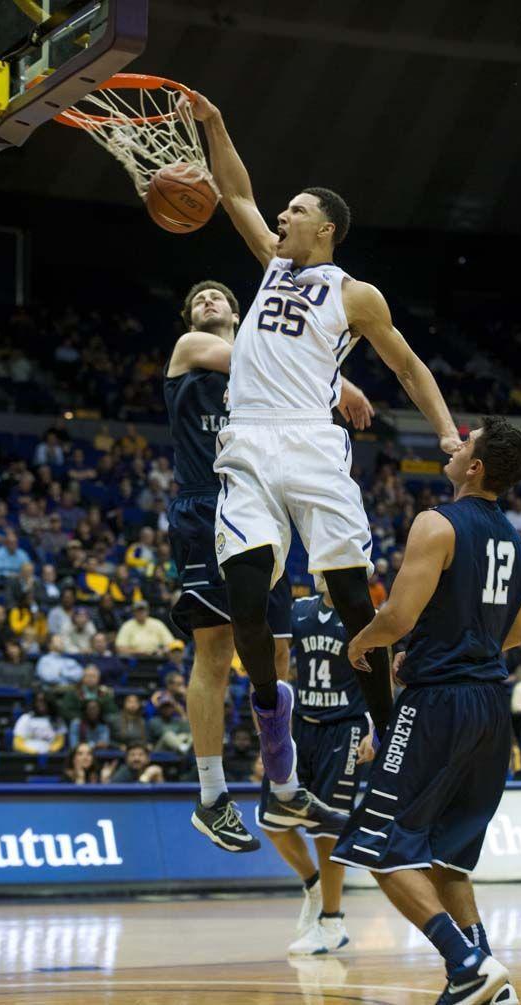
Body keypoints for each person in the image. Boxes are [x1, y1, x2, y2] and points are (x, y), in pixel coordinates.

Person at [186, 92, 461, 796]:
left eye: (297, 211)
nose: (282, 217)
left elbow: (407, 365)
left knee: (348, 597)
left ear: (327, 228)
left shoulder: (356, 294)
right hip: (247, 442)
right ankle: (272, 715)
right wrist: (216, 123)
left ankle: (384, 725)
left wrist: (448, 434)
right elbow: (236, 192)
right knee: (246, 598)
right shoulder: (271, 262)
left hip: (311, 444)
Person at [332, 417, 521, 1005]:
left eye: (465, 443)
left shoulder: (436, 522)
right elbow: (514, 634)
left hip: (439, 702)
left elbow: (396, 618)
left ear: (473, 468)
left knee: (377, 847)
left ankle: (466, 963)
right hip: (492, 707)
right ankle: (489, 982)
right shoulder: (517, 541)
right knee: (449, 861)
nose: (456, 443)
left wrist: (364, 643)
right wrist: (450, 643)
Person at [164, 280, 360, 852]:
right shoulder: (191, 349)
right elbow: (264, 360)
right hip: (205, 507)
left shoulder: (265, 376)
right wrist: (337, 382)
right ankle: (212, 797)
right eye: (197, 297)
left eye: (218, 296)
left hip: (260, 510)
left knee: (275, 655)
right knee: (216, 652)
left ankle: (283, 787)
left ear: (239, 310)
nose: (206, 301)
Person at [257, 591, 372, 955]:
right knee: (271, 821)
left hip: (345, 728)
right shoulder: (300, 609)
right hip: (301, 725)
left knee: (328, 830)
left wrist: (377, 727)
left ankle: (333, 921)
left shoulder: (364, 612)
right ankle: (313, 884)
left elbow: (381, 673)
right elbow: (277, 650)